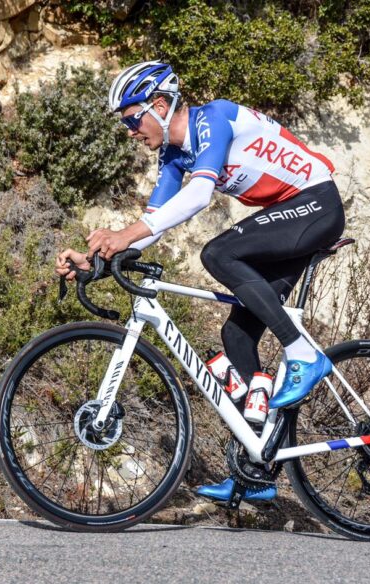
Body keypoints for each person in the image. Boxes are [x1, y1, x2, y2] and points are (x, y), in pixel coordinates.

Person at [55, 61, 346, 502]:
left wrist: (123, 235)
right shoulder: (173, 155)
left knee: (217, 253)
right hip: (291, 217)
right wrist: (94, 260)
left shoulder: (214, 118)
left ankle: (304, 353)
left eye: (132, 118)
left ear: (158, 105)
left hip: (316, 204)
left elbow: (198, 195)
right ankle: (257, 470)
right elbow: (151, 222)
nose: (131, 131)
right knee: (235, 334)